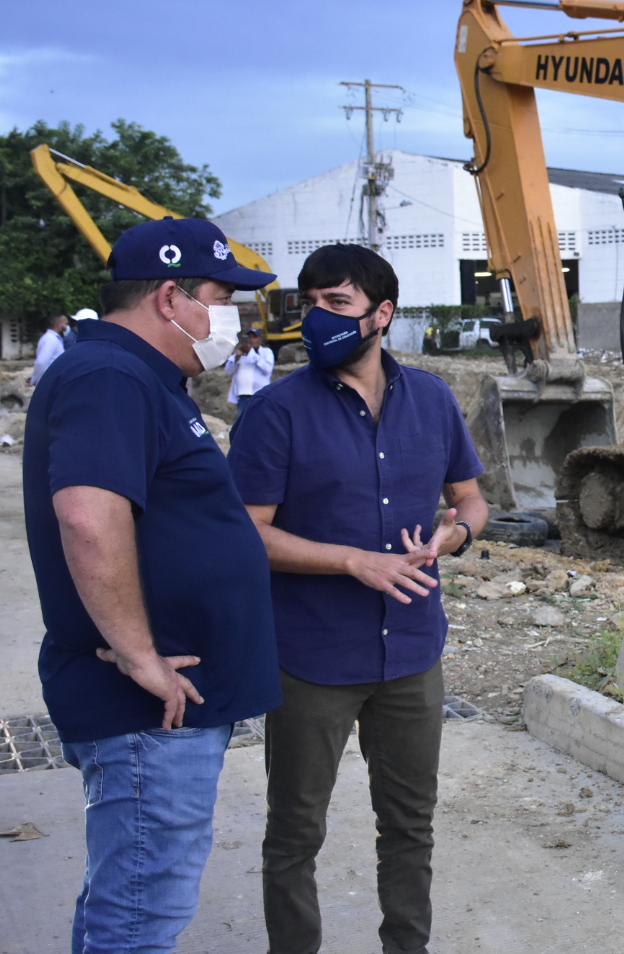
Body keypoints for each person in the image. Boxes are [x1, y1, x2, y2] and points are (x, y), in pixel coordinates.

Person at [22, 217, 282, 952]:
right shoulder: (111, 375)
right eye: (223, 296)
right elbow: (88, 516)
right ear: (170, 298)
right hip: (149, 713)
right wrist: (139, 653)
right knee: (139, 918)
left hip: (165, 712)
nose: (232, 315)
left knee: (126, 900)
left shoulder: (144, 379)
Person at [229, 244, 489, 954]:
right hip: (311, 658)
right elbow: (246, 536)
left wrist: (453, 535)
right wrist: (354, 563)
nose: (317, 318)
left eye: (336, 304)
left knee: (409, 826)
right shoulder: (274, 412)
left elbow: (471, 500)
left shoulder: (433, 399)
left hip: (410, 654)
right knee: (294, 833)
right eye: (309, 303)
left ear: (383, 315)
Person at [224, 326, 275, 412]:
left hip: (260, 395)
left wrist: (251, 354)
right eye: (250, 337)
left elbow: (268, 369)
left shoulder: (266, 352)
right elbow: (228, 371)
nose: (251, 340)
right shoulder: (241, 354)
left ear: (260, 339)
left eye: (254, 337)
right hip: (243, 396)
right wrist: (238, 356)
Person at [29, 312, 69, 384]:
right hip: (49, 381)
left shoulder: (53, 339)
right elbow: (41, 362)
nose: (67, 327)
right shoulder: (50, 339)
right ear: (58, 326)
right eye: (66, 324)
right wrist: (34, 379)